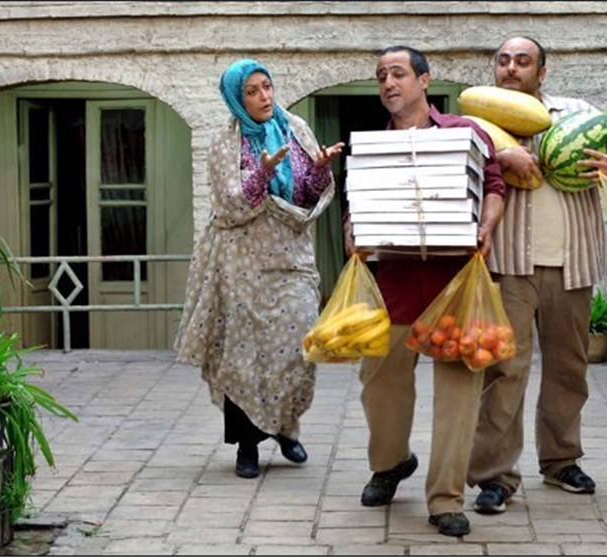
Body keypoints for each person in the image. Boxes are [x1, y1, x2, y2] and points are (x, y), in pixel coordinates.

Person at [468, 36, 607, 515]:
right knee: (504, 371)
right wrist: (498, 157)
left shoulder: (577, 113)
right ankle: (494, 476)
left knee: (569, 369)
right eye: (503, 61)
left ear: (542, 72)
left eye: (522, 61)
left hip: (572, 262)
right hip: (508, 264)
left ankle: (561, 460)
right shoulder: (478, 124)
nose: (511, 68)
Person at [344, 45, 506, 537]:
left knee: (458, 396)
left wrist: (486, 226)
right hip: (394, 284)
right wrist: (352, 230)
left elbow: (494, 186)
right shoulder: (372, 146)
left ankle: (446, 499)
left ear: (424, 80)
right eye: (381, 76)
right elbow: (356, 204)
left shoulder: (464, 134)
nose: (388, 83)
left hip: (455, 285)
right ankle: (391, 463)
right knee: (379, 386)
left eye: (398, 73)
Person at [174, 59, 344, 480]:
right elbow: (228, 207)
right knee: (244, 353)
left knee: (298, 344)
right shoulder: (224, 144)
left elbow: (307, 196)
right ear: (237, 99)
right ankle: (247, 446)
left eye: (266, 86)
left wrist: (320, 169)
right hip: (242, 263)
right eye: (252, 91)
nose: (264, 96)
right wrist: (261, 175)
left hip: (291, 258)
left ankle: (285, 426)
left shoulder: (295, 129)